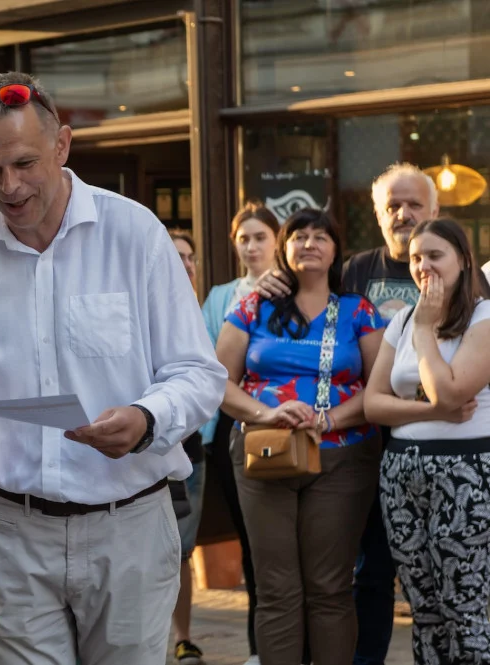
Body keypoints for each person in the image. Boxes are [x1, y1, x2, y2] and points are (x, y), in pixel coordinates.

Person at [0, 71, 227, 664]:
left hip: (129, 527)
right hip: (11, 532)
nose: (9, 186)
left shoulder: (135, 233)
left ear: (62, 145)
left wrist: (147, 418)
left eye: (24, 163)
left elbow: (198, 372)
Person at [256, 163, 439, 665]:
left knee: (431, 572)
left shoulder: (452, 268)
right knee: (367, 572)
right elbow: (303, 286)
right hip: (362, 445)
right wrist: (275, 278)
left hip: (437, 441)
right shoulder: (355, 269)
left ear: (435, 210)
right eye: (392, 206)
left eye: (414, 204)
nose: (403, 214)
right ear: (378, 216)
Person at [218, 208, 384, 665]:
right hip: (263, 453)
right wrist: (267, 413)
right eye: (298, 236)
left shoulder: (359, 311)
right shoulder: (253, 306)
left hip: (343, 457)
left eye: (320, 236)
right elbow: (216, 382)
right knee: (276, 587)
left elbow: (379, 388)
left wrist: (329, 420)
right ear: (284, 248)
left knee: (330, 587)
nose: (309, 243)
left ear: (335, 251)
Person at [364, 219, 490, 664]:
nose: (423, 267)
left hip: (465, 473)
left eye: (435, 256)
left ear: (464, 260)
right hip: (402, 473)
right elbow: (373, 403)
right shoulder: (401, 319)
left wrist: (424, 331)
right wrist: (430, 411)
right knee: (424, 608)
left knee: (464, 606)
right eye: (416, 258)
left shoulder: (483, 317)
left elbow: (449, 392)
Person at [199, 201, 280, 665]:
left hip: (283, 417)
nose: (251, 246)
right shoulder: (220, 296)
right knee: (250, 540)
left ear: (277, 241)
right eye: (243, 238)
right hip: (231, 422)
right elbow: (207, 361)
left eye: (260, 237)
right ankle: (257, 648)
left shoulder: (294, 288)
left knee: (283, 543)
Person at [166, 230, 208, 665]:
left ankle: (182, 638)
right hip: (137, 454)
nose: (185, 264)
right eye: (175, 256)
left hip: (190, 453)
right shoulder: (143, 306)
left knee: (180, 550)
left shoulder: (203, 313)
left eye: (189, 257)